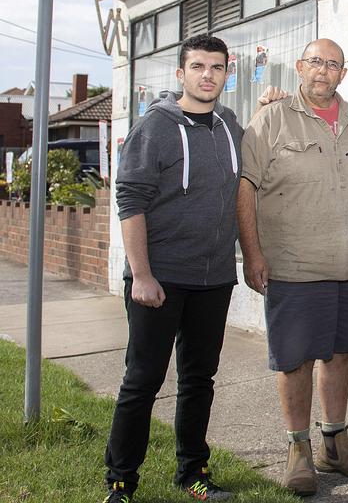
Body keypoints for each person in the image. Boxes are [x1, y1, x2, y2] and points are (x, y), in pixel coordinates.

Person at [237, 38, 348, 496]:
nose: (324, 71)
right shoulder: (270, 120)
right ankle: (297, 449)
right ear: (300, 67)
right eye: (316, 62)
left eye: (334, 64)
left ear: (343, 73)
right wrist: (252, 253)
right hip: (295, 265)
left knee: (341, 354)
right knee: (296, 359)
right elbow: (246, 189)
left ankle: (335, 443)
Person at [104, 34, 241, 503]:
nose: (208, 75)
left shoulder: (230, 124)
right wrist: (141, 274)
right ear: (180, 74)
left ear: (228, 73)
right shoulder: (155, 127)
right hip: (158, 279)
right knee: (142, 380)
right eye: (198, 67)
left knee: (199, 380)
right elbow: (130, 201)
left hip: (214, 278)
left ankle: (193, 472)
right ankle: (121, 481)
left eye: (217, 67)